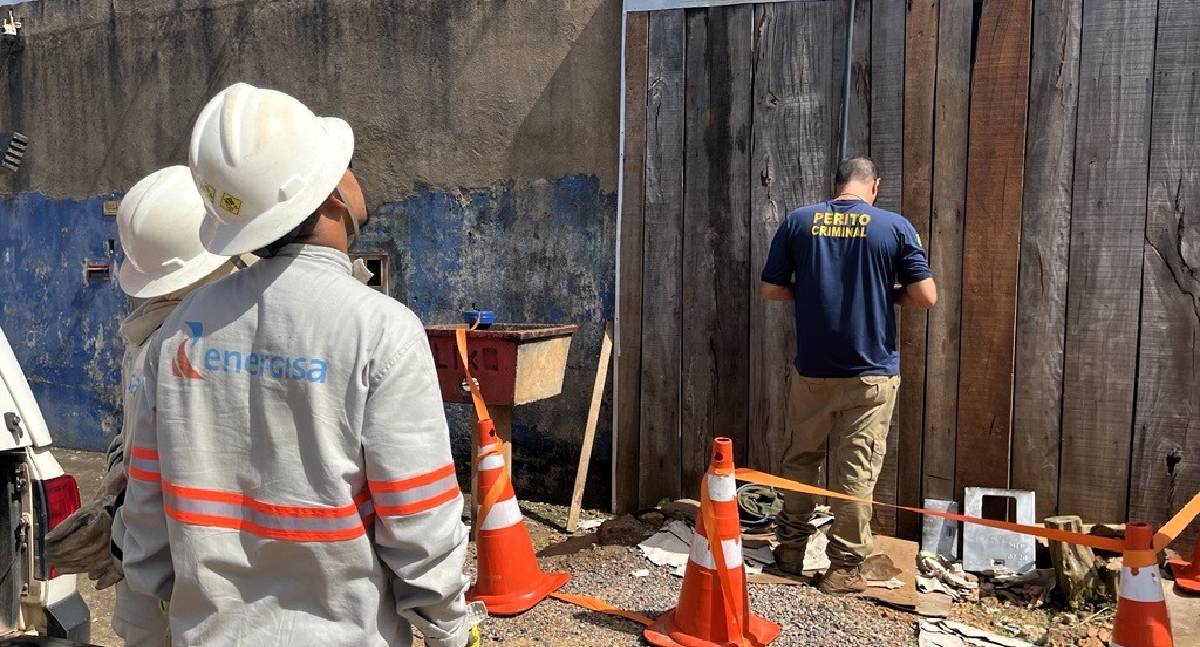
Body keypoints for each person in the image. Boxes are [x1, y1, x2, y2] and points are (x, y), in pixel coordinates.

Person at [120, 83, 479, 647]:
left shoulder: (180, 330)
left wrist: (140, 626)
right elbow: (420, 525)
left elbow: (145, 511)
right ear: (334, 193)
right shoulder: (382, 330)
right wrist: (451, 631)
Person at [46, 165, 238, 645]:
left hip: (202, 585)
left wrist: (121, 534)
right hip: (164, 588)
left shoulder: (225, 344)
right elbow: (134, 439)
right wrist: (114, 502)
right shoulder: (151, 336)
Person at [760, 157, 936, 594]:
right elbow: (926, 296)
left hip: (813, 372)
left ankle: (788, 553)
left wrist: (813, 292)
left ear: (836, 185)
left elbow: (771, 288)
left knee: (800, 460)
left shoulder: (798, 222)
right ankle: (844, 568)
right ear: (873, 186)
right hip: (869, 375)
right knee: (855, 471)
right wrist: (887, 294)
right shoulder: (894, 227)